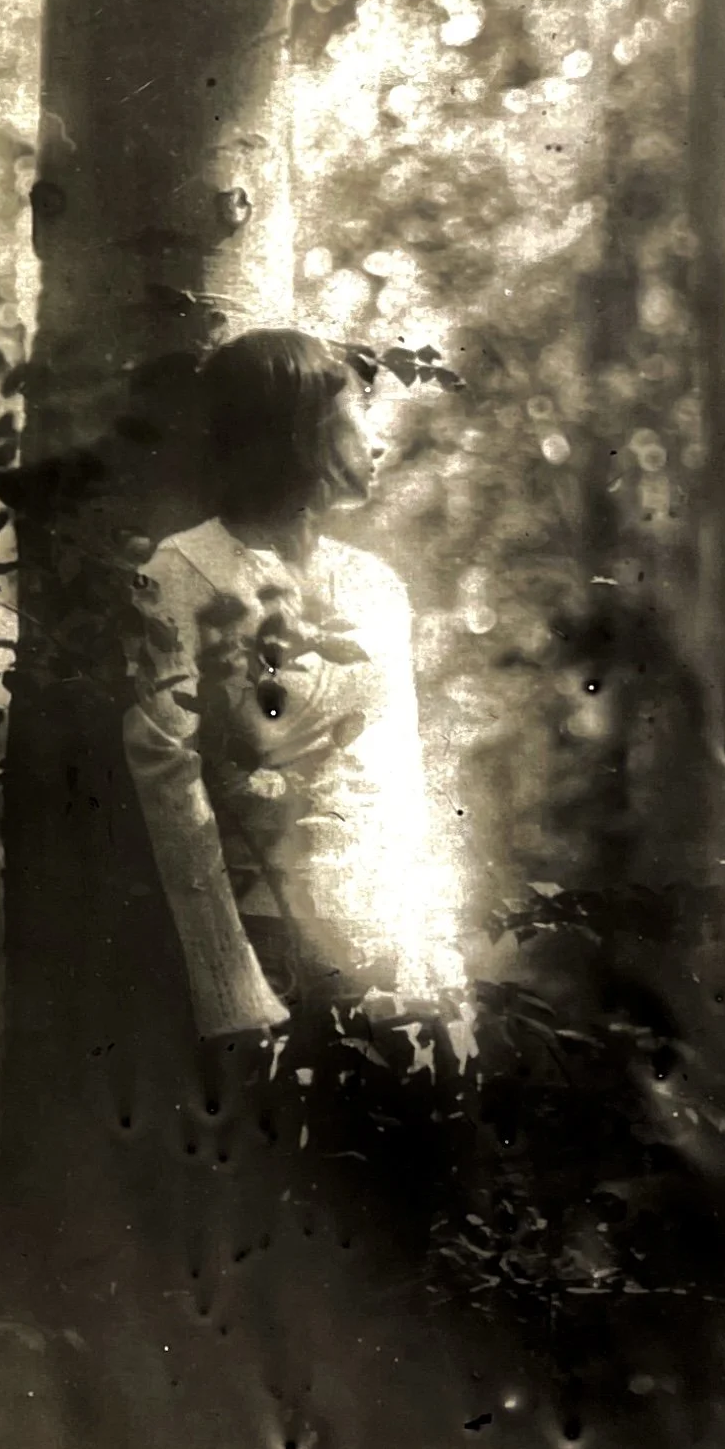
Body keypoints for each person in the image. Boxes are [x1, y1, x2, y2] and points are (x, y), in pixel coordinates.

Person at [122, 325, 471, 1058]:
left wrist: (437, 964)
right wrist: (234, 985)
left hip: (386, 945)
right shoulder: (179, 572)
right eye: (356, 418)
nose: (376, 442)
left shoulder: (376, 587)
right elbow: (168, 785)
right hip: (268, 942)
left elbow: (402, 784)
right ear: (298, 435)